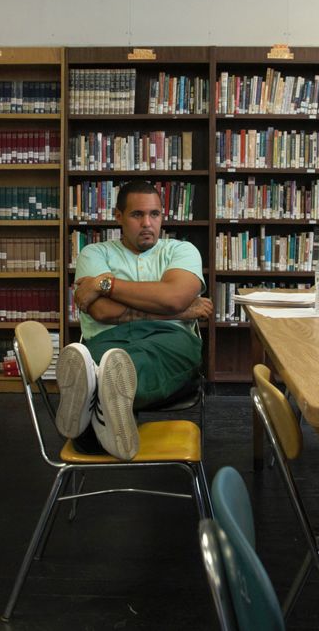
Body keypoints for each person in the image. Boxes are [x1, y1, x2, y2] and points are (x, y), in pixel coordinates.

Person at [56, 180, 212, 460]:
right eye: (137, 215)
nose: (148, 223)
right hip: (108, 337)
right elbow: (102, 312)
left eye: (155, 214)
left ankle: (93, 403)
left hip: (170, 339)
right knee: (108, 358)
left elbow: (173, 297)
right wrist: (177, 311)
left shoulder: (181, 250)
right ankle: (106, 404)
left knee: (126, 363)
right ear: (118, 217)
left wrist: (105, 283)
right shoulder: (94, 253)